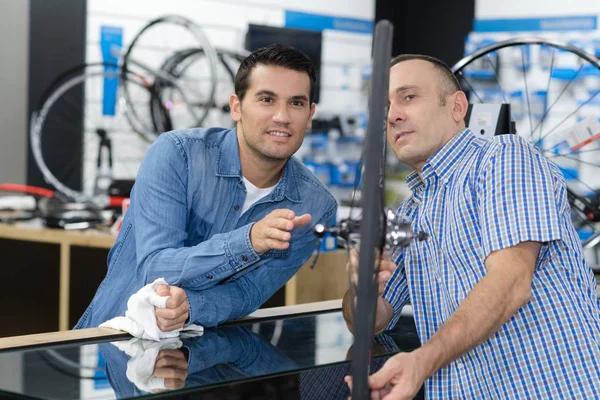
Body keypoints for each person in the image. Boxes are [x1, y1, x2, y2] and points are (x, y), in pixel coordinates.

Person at [343, 54, 600, 399]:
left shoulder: (502, 158)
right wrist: (363, 287)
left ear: (457, 106)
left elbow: (511, 281)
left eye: (409, 97)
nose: (392, 115)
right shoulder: (408, 213)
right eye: (385, 106)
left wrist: (421, 362)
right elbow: (372, 322)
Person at [75, 44, 337, 330]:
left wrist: (192, 306)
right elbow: (155, 268)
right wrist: (248, 240)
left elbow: (249, 293)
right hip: (111, 347)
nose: (282, 117)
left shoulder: (315, 206)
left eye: (296, 103)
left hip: (206, 361)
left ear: (310, 115)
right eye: (266, 99)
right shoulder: (177, 154)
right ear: (236, 107)